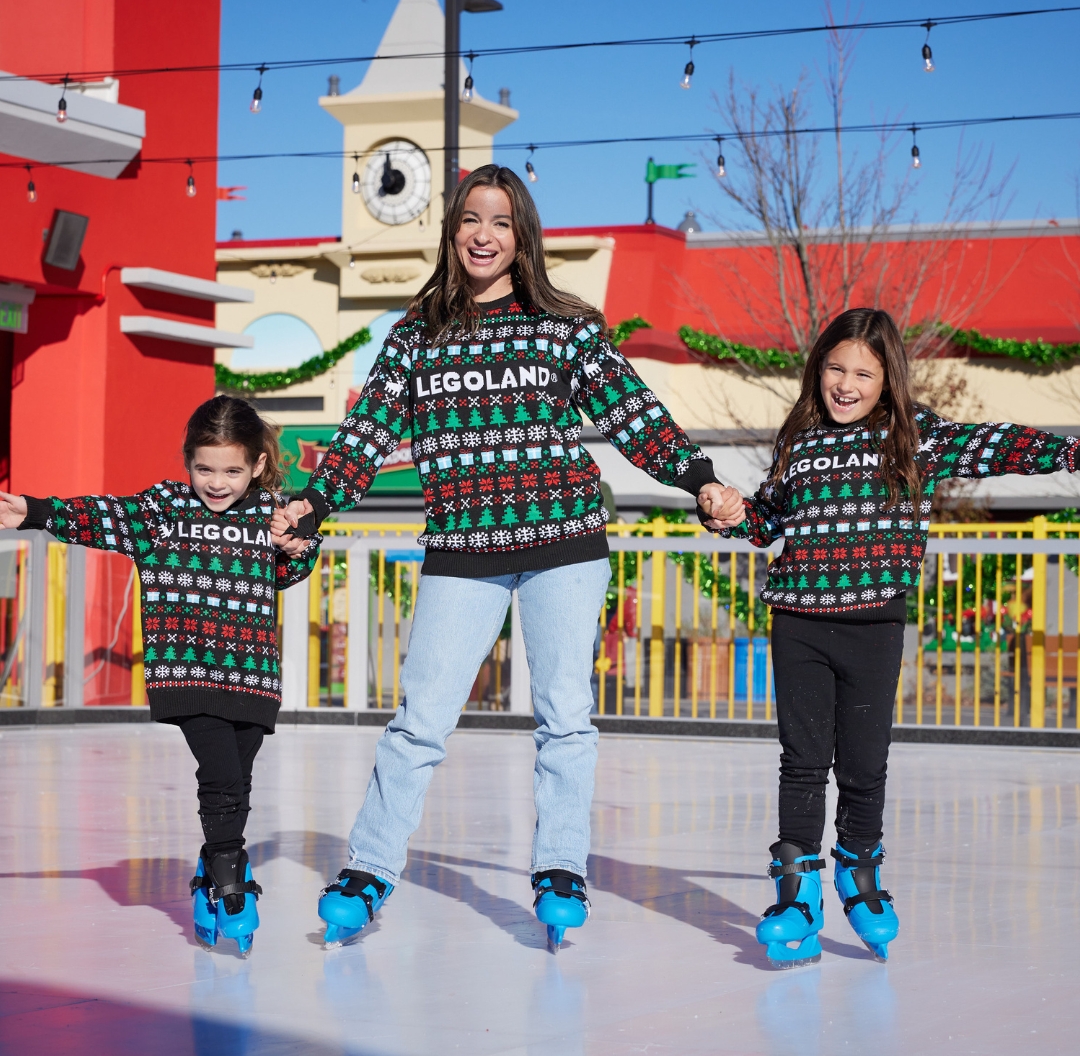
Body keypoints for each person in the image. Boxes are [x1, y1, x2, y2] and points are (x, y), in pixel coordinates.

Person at [279, 164, 744, 950]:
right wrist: (316, 503)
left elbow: (635, 415)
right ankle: (369, 869)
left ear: (520, 234)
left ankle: (560, 868)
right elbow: (367, 439)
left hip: (564, 540)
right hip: (464, 546)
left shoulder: (564, 326)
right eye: (469, 219)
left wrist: (699, 479)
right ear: (452, 231)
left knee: (565, 715)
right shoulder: (416, 334)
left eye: (498, 220)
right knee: (419, 719)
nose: (482, 234)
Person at [700, 307, 1080, 968]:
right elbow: (768, 520)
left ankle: (859, 867)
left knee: (866, 763)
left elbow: (991, 444)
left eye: (863, 374)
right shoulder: (800, 437)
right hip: (798, 619)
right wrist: (730, 511)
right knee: (803, 761)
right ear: (818, 368)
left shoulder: (913, 436)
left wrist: (1070, 451)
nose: (845, 384)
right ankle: (798, 896)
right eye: (835, 368)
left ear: (887, 380)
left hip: (874, 624)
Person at [0, 395, 321, 956]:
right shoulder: (164, 510)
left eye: (230, 470)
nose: (216, 483)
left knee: (236, 780)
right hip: (187, 669)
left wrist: (296, 545)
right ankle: (230, 877)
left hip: (249, 675)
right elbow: (100, 515)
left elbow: (293, 568)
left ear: (256, 467)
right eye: (204, 468)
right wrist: (34, 510)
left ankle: (208, 870)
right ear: (187, 461)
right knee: (221, 777)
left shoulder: (272, 513)